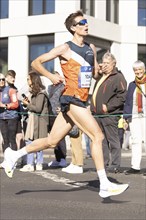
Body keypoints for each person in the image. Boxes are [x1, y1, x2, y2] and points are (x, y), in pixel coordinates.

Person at [3, 11, 128, 198]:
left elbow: (93, 75)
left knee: (51, 141)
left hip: (80, 98)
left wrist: (97, 67)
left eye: (86, 22)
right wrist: (52, 76)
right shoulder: (65, 48)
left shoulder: (90, 47)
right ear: (73, 28)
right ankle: (104, 184)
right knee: (98, 136)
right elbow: (36, 63)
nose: (86, 24)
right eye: (82, 22)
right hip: (71, 98)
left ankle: (13, 155)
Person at [90, 52, 127, 173]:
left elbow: (122, 96)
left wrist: (109, 107)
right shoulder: (102, 76)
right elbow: (93, 74)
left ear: (113, 64)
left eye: (107, 63)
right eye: (103, 63)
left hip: (109, 114)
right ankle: (104, 164)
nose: (104, 65)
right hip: (98, 114)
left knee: (113, 140)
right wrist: (98, 69)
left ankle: (115, 165)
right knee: (102, 141)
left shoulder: (118, 77)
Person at [19, 71, 50, 171]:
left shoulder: (41, 93)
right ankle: (33, 163)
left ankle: (34, 164)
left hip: (40, 121)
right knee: (32, 141)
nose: (27, 81)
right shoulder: (34, 92)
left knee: (36, 142)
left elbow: (38, 108)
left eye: (28, 79)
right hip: (34, 119)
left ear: (33, 80)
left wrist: (27, 104)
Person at [124, 60, 146, 175]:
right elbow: (128, 102)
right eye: (135, 70)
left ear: (144, 69)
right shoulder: (132, 84)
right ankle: (135, 166)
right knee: (136, 141)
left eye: (139, 69)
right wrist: (125, 117)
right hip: (135, 116)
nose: (138, 72)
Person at [0, 73, 19, 168]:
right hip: (2, 118)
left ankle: (13, 162)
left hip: (12, 117)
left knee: (12, 139)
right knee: (5, 139)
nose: (1, 81)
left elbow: (16, 104)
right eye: (0, 80)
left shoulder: (11, 90)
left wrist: (5, 105)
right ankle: (6, 160)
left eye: (3, 79)